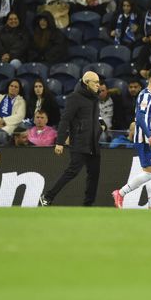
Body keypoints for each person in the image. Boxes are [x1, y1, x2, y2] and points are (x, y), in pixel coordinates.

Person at [39, 71, 103, 207]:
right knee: (72, 172)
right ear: (86, 83)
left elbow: (96, 118)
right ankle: (47, 196)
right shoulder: (74, 98)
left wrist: (102, 126)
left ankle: (88, 205)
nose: (99, 85)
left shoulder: (95, 99)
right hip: (79, 142)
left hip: (93, 143)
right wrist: (60, 142)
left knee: (94, 175)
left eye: (99, 82)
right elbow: (65, 120)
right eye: (96, 82)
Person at [112, 68, 151, 209]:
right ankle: (120, 193)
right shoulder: (145, 96)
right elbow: (140, 118)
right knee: (149, 173)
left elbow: (148, 118)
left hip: (150, 136)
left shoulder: (150, 96)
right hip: (144, 139)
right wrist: (149, 135)